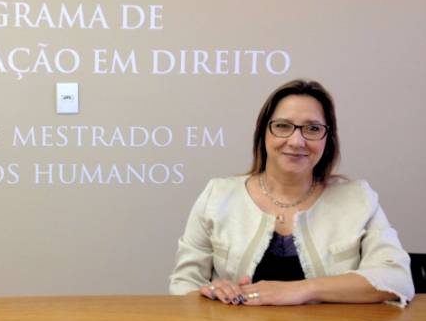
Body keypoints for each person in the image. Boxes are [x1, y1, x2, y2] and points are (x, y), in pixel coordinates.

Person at [169, 79, 415, 307]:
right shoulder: (217, 195)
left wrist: (299, 290)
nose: (296, 141)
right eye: (282, 126)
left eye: (312, 128)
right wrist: (210, 293)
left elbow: (397, 278)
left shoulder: (358, 198)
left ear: (327, 138)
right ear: (263, 133)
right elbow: (183, 285)